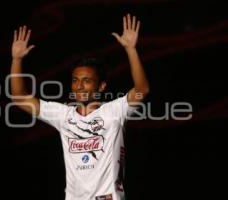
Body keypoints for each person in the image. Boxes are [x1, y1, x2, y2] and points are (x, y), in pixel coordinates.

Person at [10, 13, 149, 200]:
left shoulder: (113, 112)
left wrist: (131, 49)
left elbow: (142, 89)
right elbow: (19, 97)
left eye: (86, 81)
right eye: (75, 80)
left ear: (101, 86)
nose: (79, 86)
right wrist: (17, 60)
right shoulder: (62, 115)